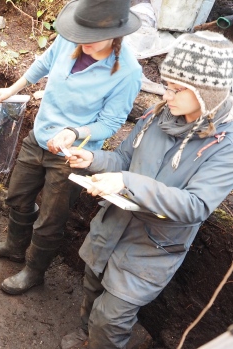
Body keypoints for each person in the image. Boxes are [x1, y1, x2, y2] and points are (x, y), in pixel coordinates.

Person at [62, 31, 233, 349]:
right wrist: (94, 159)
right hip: (111, 229)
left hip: (150, 250)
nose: (168, 96)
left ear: (208, 94)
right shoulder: (158, 115)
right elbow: (124, 159)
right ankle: (85, 336)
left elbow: (195, 205)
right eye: (167, 85)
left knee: (111, 319)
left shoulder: (224, 145)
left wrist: (128, 182)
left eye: (179, 90)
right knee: (92, 287)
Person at [0, 0, 142, 295]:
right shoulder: (71, 38)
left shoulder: (128, 73)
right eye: (80, 35)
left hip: (71, 155)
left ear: (115, 34)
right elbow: (43, 63)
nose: (83, 42)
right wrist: (12, 89)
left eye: (91, 38)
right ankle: (15, 247)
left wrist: (74, 132)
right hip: (40, 137)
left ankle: (33, 270)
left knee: (51, 220)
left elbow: (111, 123)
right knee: (17, 196)